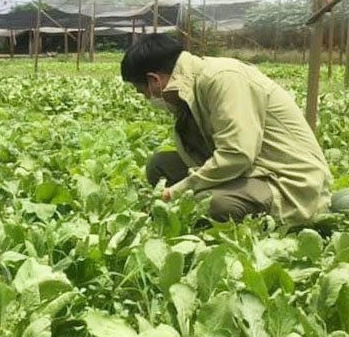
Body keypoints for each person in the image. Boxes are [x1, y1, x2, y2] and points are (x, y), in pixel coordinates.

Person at [121, 34, 331, 224]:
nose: (147, 98)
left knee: (210, 204)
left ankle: (264, 211)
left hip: (284, 179)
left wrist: (178, 191)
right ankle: (223, 196)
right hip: (250, 170)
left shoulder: (222, 78)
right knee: (160, 165)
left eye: (143, 91)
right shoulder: (188, 87)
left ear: (154, 80)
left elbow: (237, 155)